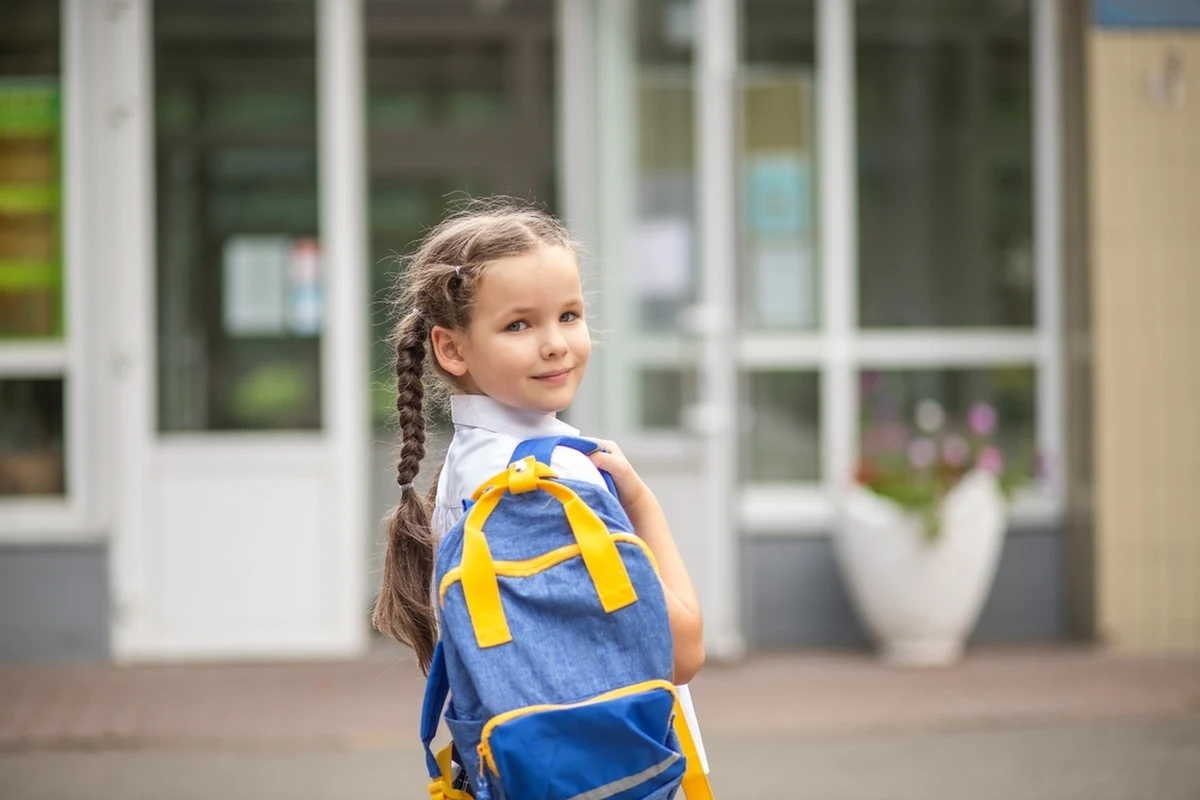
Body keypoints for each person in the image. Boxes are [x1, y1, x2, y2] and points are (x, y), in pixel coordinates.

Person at [372, 199, 709, 792]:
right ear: (451, 349)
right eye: (519, 325)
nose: (555, 344)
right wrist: (641, 502)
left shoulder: (463, 468)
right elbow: (682, 651)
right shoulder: (548, 482)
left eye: (569, 315)